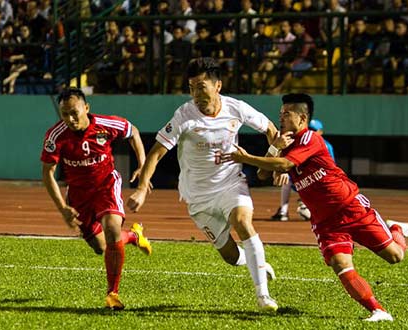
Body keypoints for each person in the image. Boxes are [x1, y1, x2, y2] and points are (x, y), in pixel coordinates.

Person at [222, 93, 408, 322]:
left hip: (350, 208)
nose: (281, 118)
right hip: (326, 221)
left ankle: (397, 229)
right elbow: (263, 173)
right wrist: (273, 148)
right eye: (280, 114)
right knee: (340, 264)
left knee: (395, 256)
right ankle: (378, 310)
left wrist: (247, 158)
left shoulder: (310, 139)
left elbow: (284, 165)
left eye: (287, 114)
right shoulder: (284, 144)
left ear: (302, 118)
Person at [127, 57, 279, 312]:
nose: (196, 93)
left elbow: (271, 130)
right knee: (230, 257)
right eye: (191, 87)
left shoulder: (236, 108)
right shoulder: (184, 116)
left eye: (201, 86)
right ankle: (257, 262)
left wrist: (272, 161)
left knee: (242, 222)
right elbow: (155, 154)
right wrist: (142, 188)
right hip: (197, 198)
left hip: (231, 183)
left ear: (217, 85)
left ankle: (263, 295)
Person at [40, 87, 152, 310]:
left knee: (111, 228)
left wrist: (142, 164)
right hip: (78, 195)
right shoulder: (55, 135)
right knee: (101, 247)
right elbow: (47, 173)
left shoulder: (107, 125)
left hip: (105, 185)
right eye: (65, 114)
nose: (71, 119)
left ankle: (113, 294)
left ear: (86, 108)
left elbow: (134, 133)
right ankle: (133, 235)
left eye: (74, 112)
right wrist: (62, 208)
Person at [271, 118, 334, 221]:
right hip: (302, 180)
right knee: (286, 179)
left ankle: (311, 206)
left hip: (318, 181)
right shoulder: (300, 143)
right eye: (310, 129)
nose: (311, 132)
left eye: (314, 130)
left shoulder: (326, 146)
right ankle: (283, 211)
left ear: (321, 132)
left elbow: (331, 168)